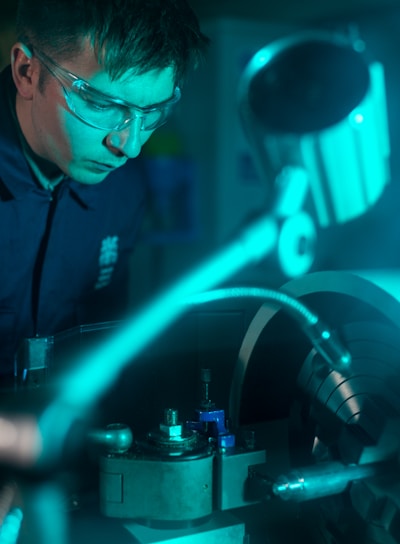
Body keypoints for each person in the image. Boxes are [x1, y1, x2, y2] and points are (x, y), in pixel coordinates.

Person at [0, 0, 209, 378]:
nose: (129, 146)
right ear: (27, 72)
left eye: (151, 114)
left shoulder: (122, 187)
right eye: (101, 104)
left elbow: (99, 342)